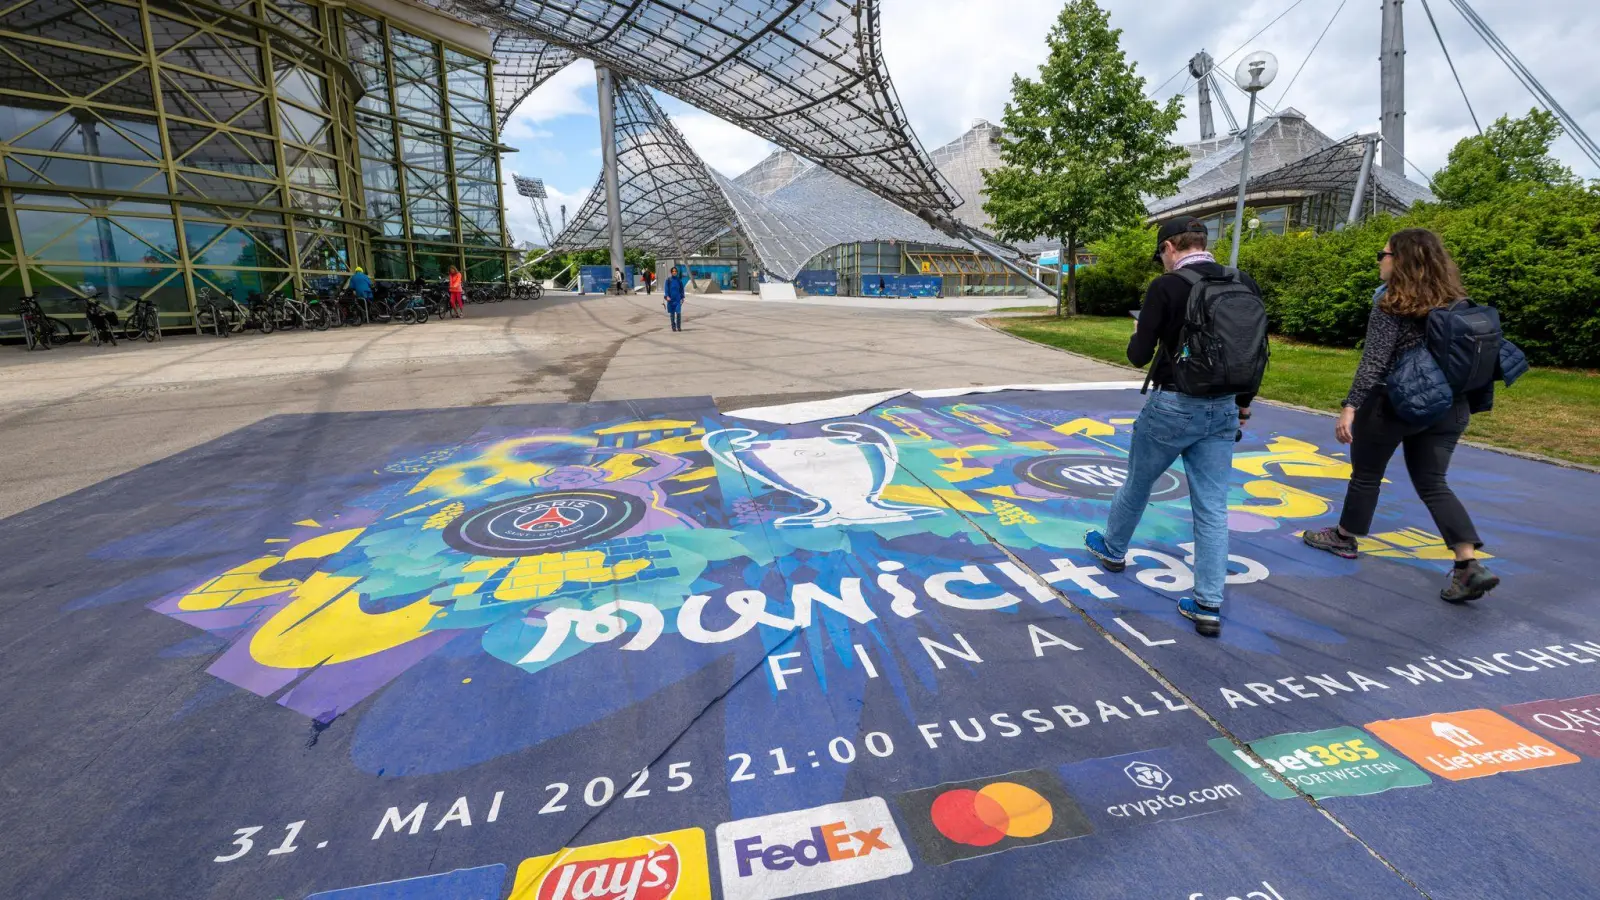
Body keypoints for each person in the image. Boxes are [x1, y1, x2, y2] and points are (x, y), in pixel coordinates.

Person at [1084, 216, 1265, 637]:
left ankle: (1113, 549)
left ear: (1169, 247)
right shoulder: (1243, 282)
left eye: (1161, 254)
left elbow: (1137, 355)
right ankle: (1208, 603)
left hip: (1173, 404)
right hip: (1223, 408)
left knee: (1139, 482)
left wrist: (1139, 330)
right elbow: (1252, 351)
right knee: (1212, 507)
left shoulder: (1166, 287)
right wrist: (1243, 404)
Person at [1303, 228, 1499, 602]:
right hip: (1448, 406)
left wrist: (1350, 406)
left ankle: (1345, 537)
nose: (1380, 259)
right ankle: (1467, 563)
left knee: (1366, 475)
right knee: (1433, 483)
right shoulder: (1456, 302)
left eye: (1384, 254)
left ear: (1402, 260)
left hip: (1394, 403)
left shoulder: (1391, 303)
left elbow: (1375, 361)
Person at [663, 265, 686, 332]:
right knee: (672, 314)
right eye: (673, 271)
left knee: (678, 313)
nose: (674, 272)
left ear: (677, 272)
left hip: (677, 299)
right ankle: (673, 326)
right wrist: (667, 296)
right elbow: (666, 289)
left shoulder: (679, 280)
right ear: (671, 272)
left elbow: (681, 289)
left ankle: (679, 327)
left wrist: (682, 297)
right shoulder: (668, 280)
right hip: (670, 300)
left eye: (675, 271)